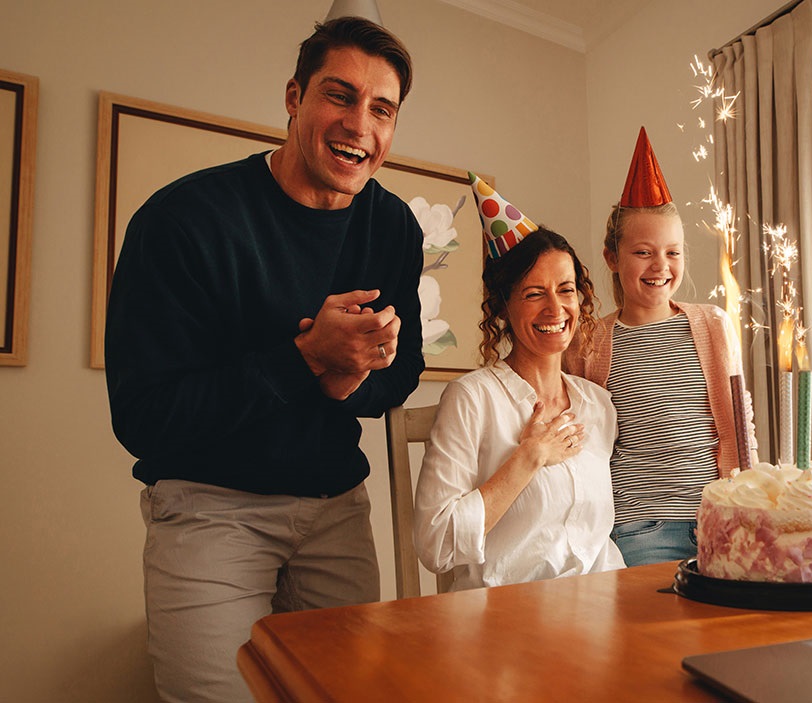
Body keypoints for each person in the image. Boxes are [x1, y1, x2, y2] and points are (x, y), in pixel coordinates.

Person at [104, 16, 423, 703]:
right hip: (209, 509)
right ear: (293, 96)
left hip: (337, 507)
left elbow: (404, 372)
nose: (359, 124)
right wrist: (305, 356)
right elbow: (142, 414)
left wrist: (350, 379)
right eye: (339, 95)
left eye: (382, 108)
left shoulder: (392, 224)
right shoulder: (183, 220)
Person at [413, 174, 625, 590]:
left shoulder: (597, 405)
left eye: (566, 290)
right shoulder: (472, 399)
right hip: (504, 621)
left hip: (598, 613)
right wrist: (528, 458)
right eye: (533, 294)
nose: (555, 308)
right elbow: (435, 543)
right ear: (504, 307)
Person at [564, 127, 757, 567]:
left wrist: (751, 503)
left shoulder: (711, 324)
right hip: (640, 526)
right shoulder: (588, 341)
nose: (661, 266)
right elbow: (581, 441)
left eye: (673, 252)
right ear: (612, 257)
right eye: (643, 253)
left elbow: (740, 425)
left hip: (722, 519)